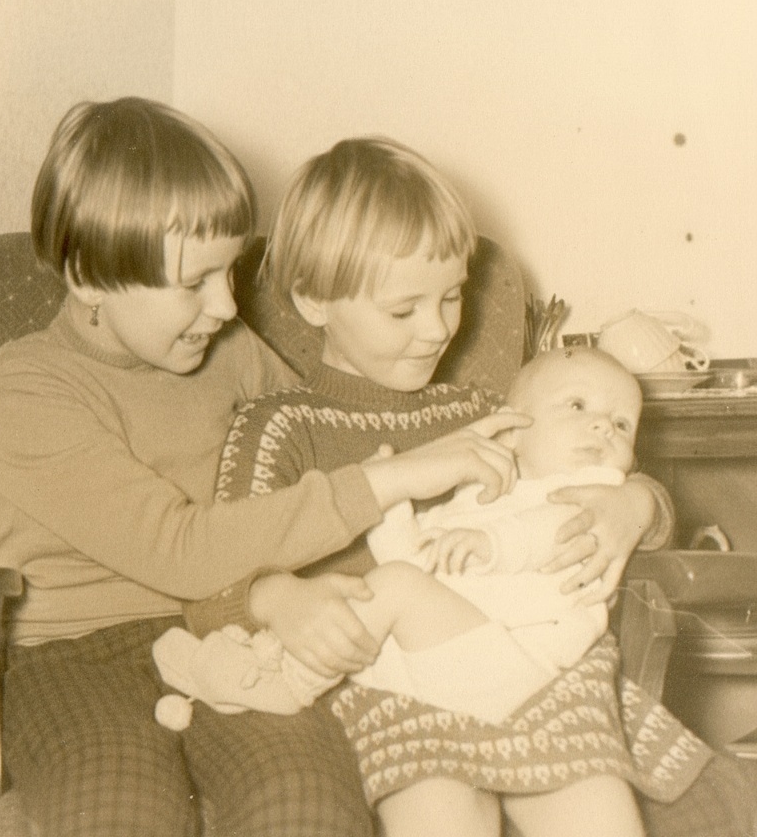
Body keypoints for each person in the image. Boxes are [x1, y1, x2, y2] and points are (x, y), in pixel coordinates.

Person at [0, 98, 535, 837]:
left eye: (230, 271)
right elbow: (180, 548)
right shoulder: (24, 389)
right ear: (87, 275)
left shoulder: (227, 351)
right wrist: (395, 476)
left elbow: (311, 446)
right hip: (80, 658)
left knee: (305, 800)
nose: (227, 305)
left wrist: (621, 501)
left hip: (237, 637)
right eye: (195, 281)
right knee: (119, 807)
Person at [153, 137, 749, 837]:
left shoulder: (481, 412)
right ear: (314, 299)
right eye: (404, 310)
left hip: (529, 670)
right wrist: (277, 597)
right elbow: (212, 577)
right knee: (444, 811)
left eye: (452, 297)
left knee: (670, 806)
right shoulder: (280, 427)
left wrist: (637, 504)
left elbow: (591, 467)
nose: (437, 329)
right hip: (390, 687)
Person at [155, 345, 711, 836]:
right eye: (578, 407)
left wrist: (633, 502)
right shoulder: (480, 491)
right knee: (395, 583)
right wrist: (392, 504)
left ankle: (285, 679)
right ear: (511, 431)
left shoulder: (587, 489)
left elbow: (545, 533)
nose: (603, 429)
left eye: (622, 425)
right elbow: (413, 554)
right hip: (456, 669)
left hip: (530, 669)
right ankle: (258, 659)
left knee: (396, 587)